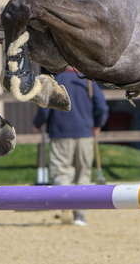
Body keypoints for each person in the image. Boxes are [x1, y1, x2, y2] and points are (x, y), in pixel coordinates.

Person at [33, 67, 109, 226]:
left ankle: (65, 206)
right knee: (83, 174)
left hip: (60, 132)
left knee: (61, 171)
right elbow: (101, 107)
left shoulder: (55, 81)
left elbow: (45, 107)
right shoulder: (88, 81)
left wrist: (38, 123)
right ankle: (80, 215)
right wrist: (98, 124)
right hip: (85, 133)